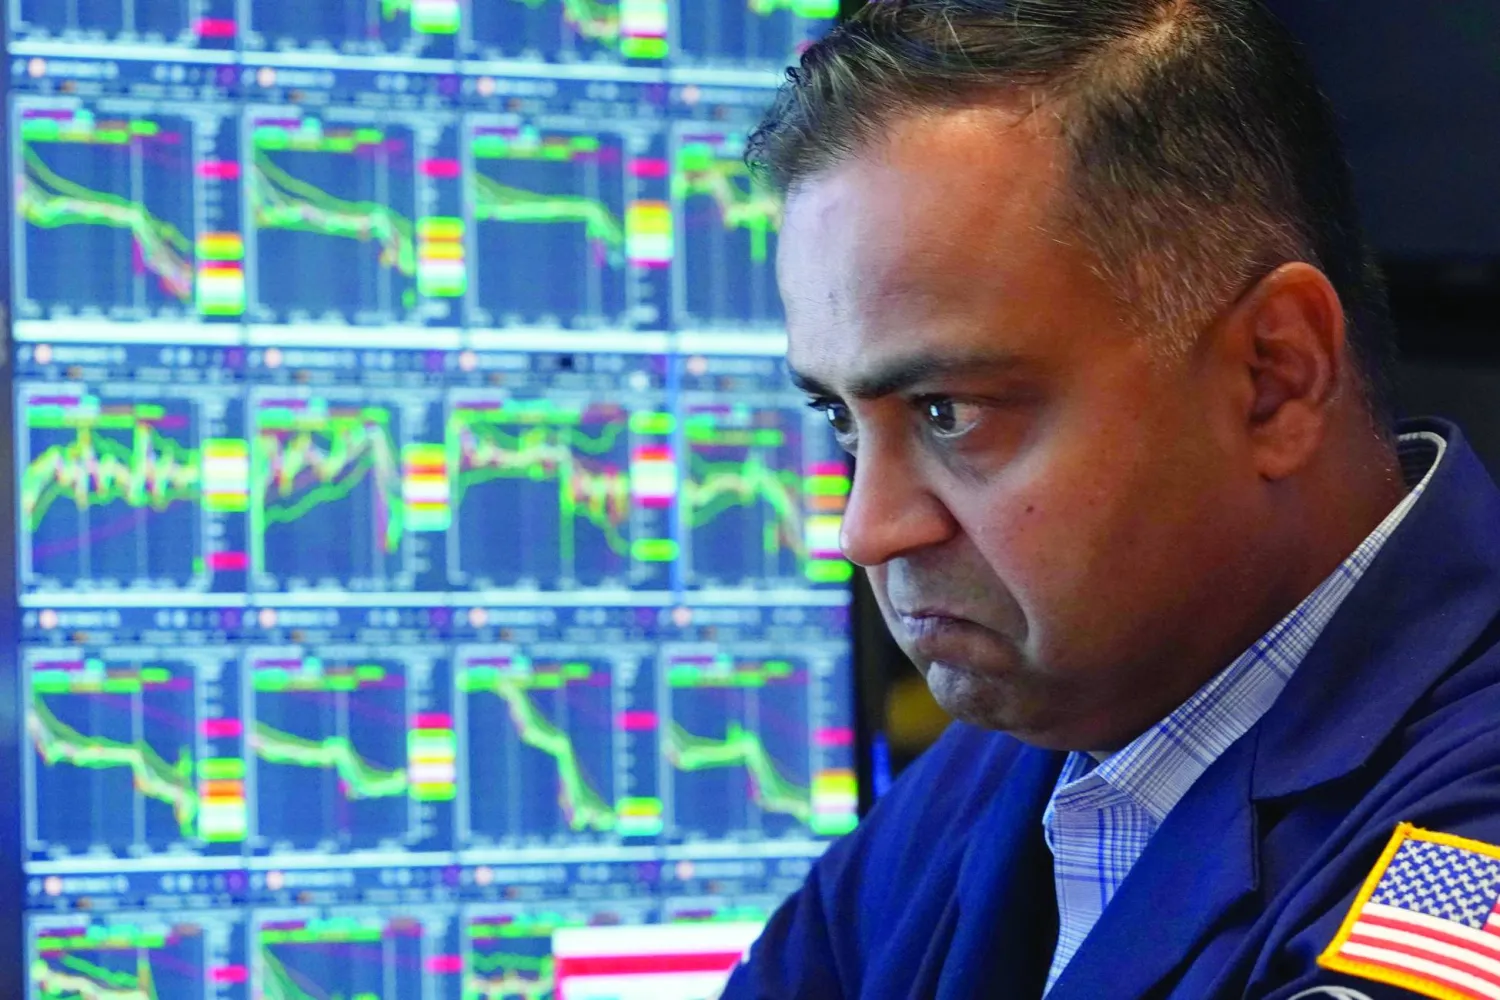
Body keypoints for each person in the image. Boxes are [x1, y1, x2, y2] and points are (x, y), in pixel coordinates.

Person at [720, 1, 1500, 998]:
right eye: (838, 417)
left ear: (1275, 377)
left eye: (948, 411)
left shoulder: (1462, 857)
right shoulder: (1032, 740)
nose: (866, 530)